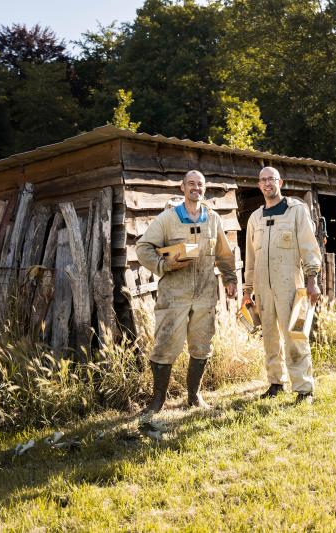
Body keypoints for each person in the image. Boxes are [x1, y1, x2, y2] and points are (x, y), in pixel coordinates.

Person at [136, 170, 237, 418]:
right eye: (191, 184)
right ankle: (157, 401)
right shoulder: (168, 219)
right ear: (182, 187)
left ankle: (194, 396)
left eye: (200, 185)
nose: (196, 188)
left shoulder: (212, 219)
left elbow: (223, 253)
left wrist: (230, 278)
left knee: (202, 345)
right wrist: (162, 266)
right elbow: (143, 247)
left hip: (205, 293)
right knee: (165, 344)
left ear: (204, 189)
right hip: (174, 294)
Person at [244, 166, 322, 404]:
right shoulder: (255, 218)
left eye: (272, 179)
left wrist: (312, 280)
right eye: (263, 180)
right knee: (269, 337)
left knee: (295, 336)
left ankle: (304, 389)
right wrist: (248, 291)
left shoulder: (296, 211)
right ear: (259, 185)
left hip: (291, 285)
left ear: (281, 182)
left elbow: (309, 248)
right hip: (263, 288)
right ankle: (276, 383)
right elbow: (250, 257)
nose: (268, 183)